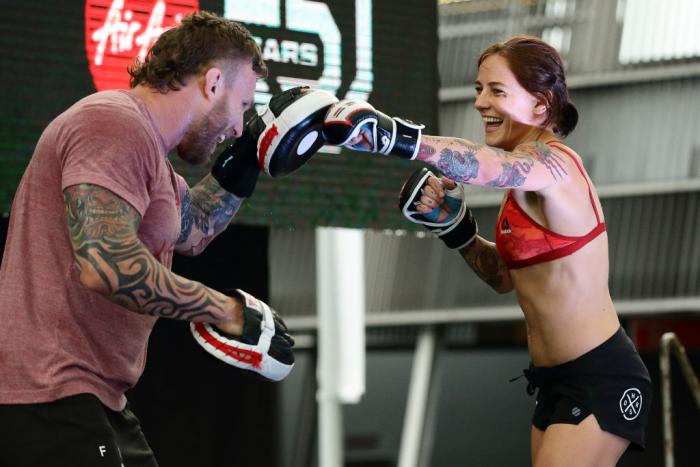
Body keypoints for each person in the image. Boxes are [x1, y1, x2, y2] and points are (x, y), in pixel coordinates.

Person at [322, 35, 651, 466]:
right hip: (554, 379)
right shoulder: (521, 186)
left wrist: (398, 140)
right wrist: (456, 230)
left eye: (497, 90)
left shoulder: (554, 167)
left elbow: (490, 167)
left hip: (601, 376)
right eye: (479, 89)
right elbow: (505, 279)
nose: (480, 102)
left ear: (540, 105)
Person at [0, 11, 299, 467]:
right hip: (48, 394)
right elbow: (107, 264)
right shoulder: (111, 124)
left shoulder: (148, 154)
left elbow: (194, 226)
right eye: (242, 108)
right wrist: (225, 309)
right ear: (213, 82)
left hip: (94, 397)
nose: (238, 127)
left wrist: (249, 157)